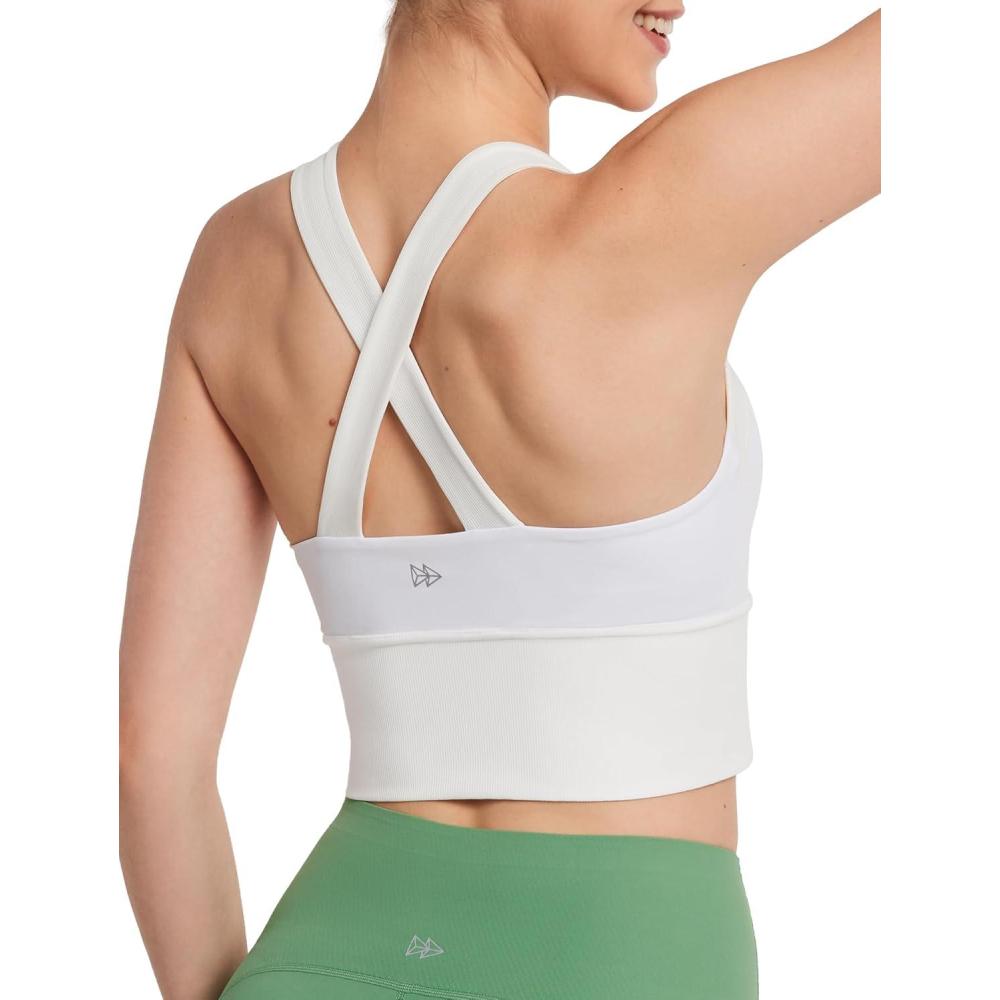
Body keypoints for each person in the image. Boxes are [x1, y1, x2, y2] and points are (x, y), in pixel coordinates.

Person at [119, 2, 881, 998]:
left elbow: (155, 769)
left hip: (319, 955)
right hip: (623, 961)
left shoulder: (236, 261)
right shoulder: (660, 206)